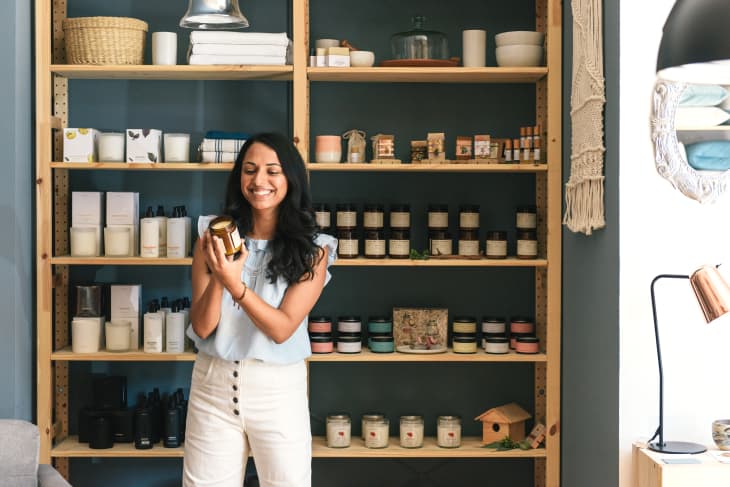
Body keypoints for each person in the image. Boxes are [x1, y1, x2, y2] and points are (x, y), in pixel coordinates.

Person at [183, 132, 337, 487]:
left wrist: (234, 283)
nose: (259, 181)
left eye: (272, 171)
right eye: (249, 170)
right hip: (213, 386)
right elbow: (203, 327)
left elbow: (282, 328)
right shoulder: (211, 236)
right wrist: (221, 276)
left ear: (291, 179)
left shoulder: (314, 251)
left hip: (278, 390)